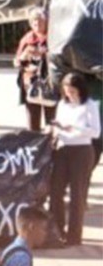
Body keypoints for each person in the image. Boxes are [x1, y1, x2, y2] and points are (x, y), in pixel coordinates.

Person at [47, 71, 100, 247]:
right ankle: (57, 229)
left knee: (77, 194)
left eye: (73, 91)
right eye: (67, 91)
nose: (70, 94)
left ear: (80, 90)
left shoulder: (90, 105)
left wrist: (75, 127)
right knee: (56, 190)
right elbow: (59, 126)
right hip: (63, 148)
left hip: (82, 150)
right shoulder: (62, 104)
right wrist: (56, 129)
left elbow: (95, 131)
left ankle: (74, 235)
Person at [14, 9, 54, 131]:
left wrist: (43, 53)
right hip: (31, 85)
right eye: (34, 23)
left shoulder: (53, 37)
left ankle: (51, 147)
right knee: (32, 124)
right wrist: (23, 56)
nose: (37, 25)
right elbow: (16, 62)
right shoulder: (27, 39)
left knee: (52, 122)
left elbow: (61, 57)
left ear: (46, 22)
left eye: (40, 22)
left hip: (50, 84)